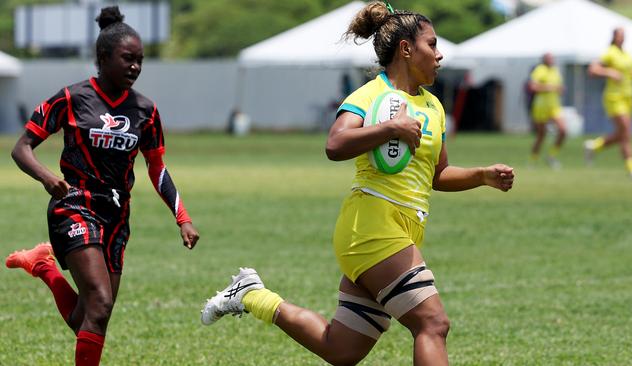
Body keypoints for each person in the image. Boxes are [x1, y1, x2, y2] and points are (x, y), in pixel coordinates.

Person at [200, 2, 514, 365]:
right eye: (432, 44)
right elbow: (335, 145)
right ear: (406, 49)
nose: (439, 55)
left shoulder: (433, 107)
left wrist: (483, 176)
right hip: (371, 225)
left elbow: (437, 174)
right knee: (432, 323)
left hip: (403, 227)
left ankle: (251, 295)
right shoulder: (368, 96)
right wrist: (391, 128)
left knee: (342, 349)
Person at [4, 6, 199, 366]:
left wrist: (182, 217)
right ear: (103, 57)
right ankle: (45, 263)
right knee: (101, 303)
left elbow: (156, 167)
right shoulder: (71, 98)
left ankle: (43, 266)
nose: (135, 67)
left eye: (140, 60)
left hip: (116, 217)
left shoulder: (146, 111)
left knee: (91, 316)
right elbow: (22, 148)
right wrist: (47, 178)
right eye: (128, 59)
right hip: (73, 206)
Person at [585, 27, 632, 181]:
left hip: (629, 98)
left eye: (623, 35)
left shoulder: (626, 54)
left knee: (622, 134)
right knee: (626, 132)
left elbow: (627, 74)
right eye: (619, 35)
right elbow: (592, 69)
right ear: (614, 37)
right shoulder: (610, 53)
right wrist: (609, 72)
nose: (621, 38)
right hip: (614, 98)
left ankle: (594, 146)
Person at [528, 53, 566, 169]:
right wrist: (548, 87)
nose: (551, 60)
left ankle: (551, 156)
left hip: (554, 106)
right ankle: (532, 160)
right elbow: (532, 87)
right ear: (544, 59)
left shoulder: (555, 70)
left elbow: (558, 87)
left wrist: (560, 89)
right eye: (549, 58)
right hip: (541, 107)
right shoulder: (540, 70)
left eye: (552, 58)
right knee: (541, 135)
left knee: (563, 130)